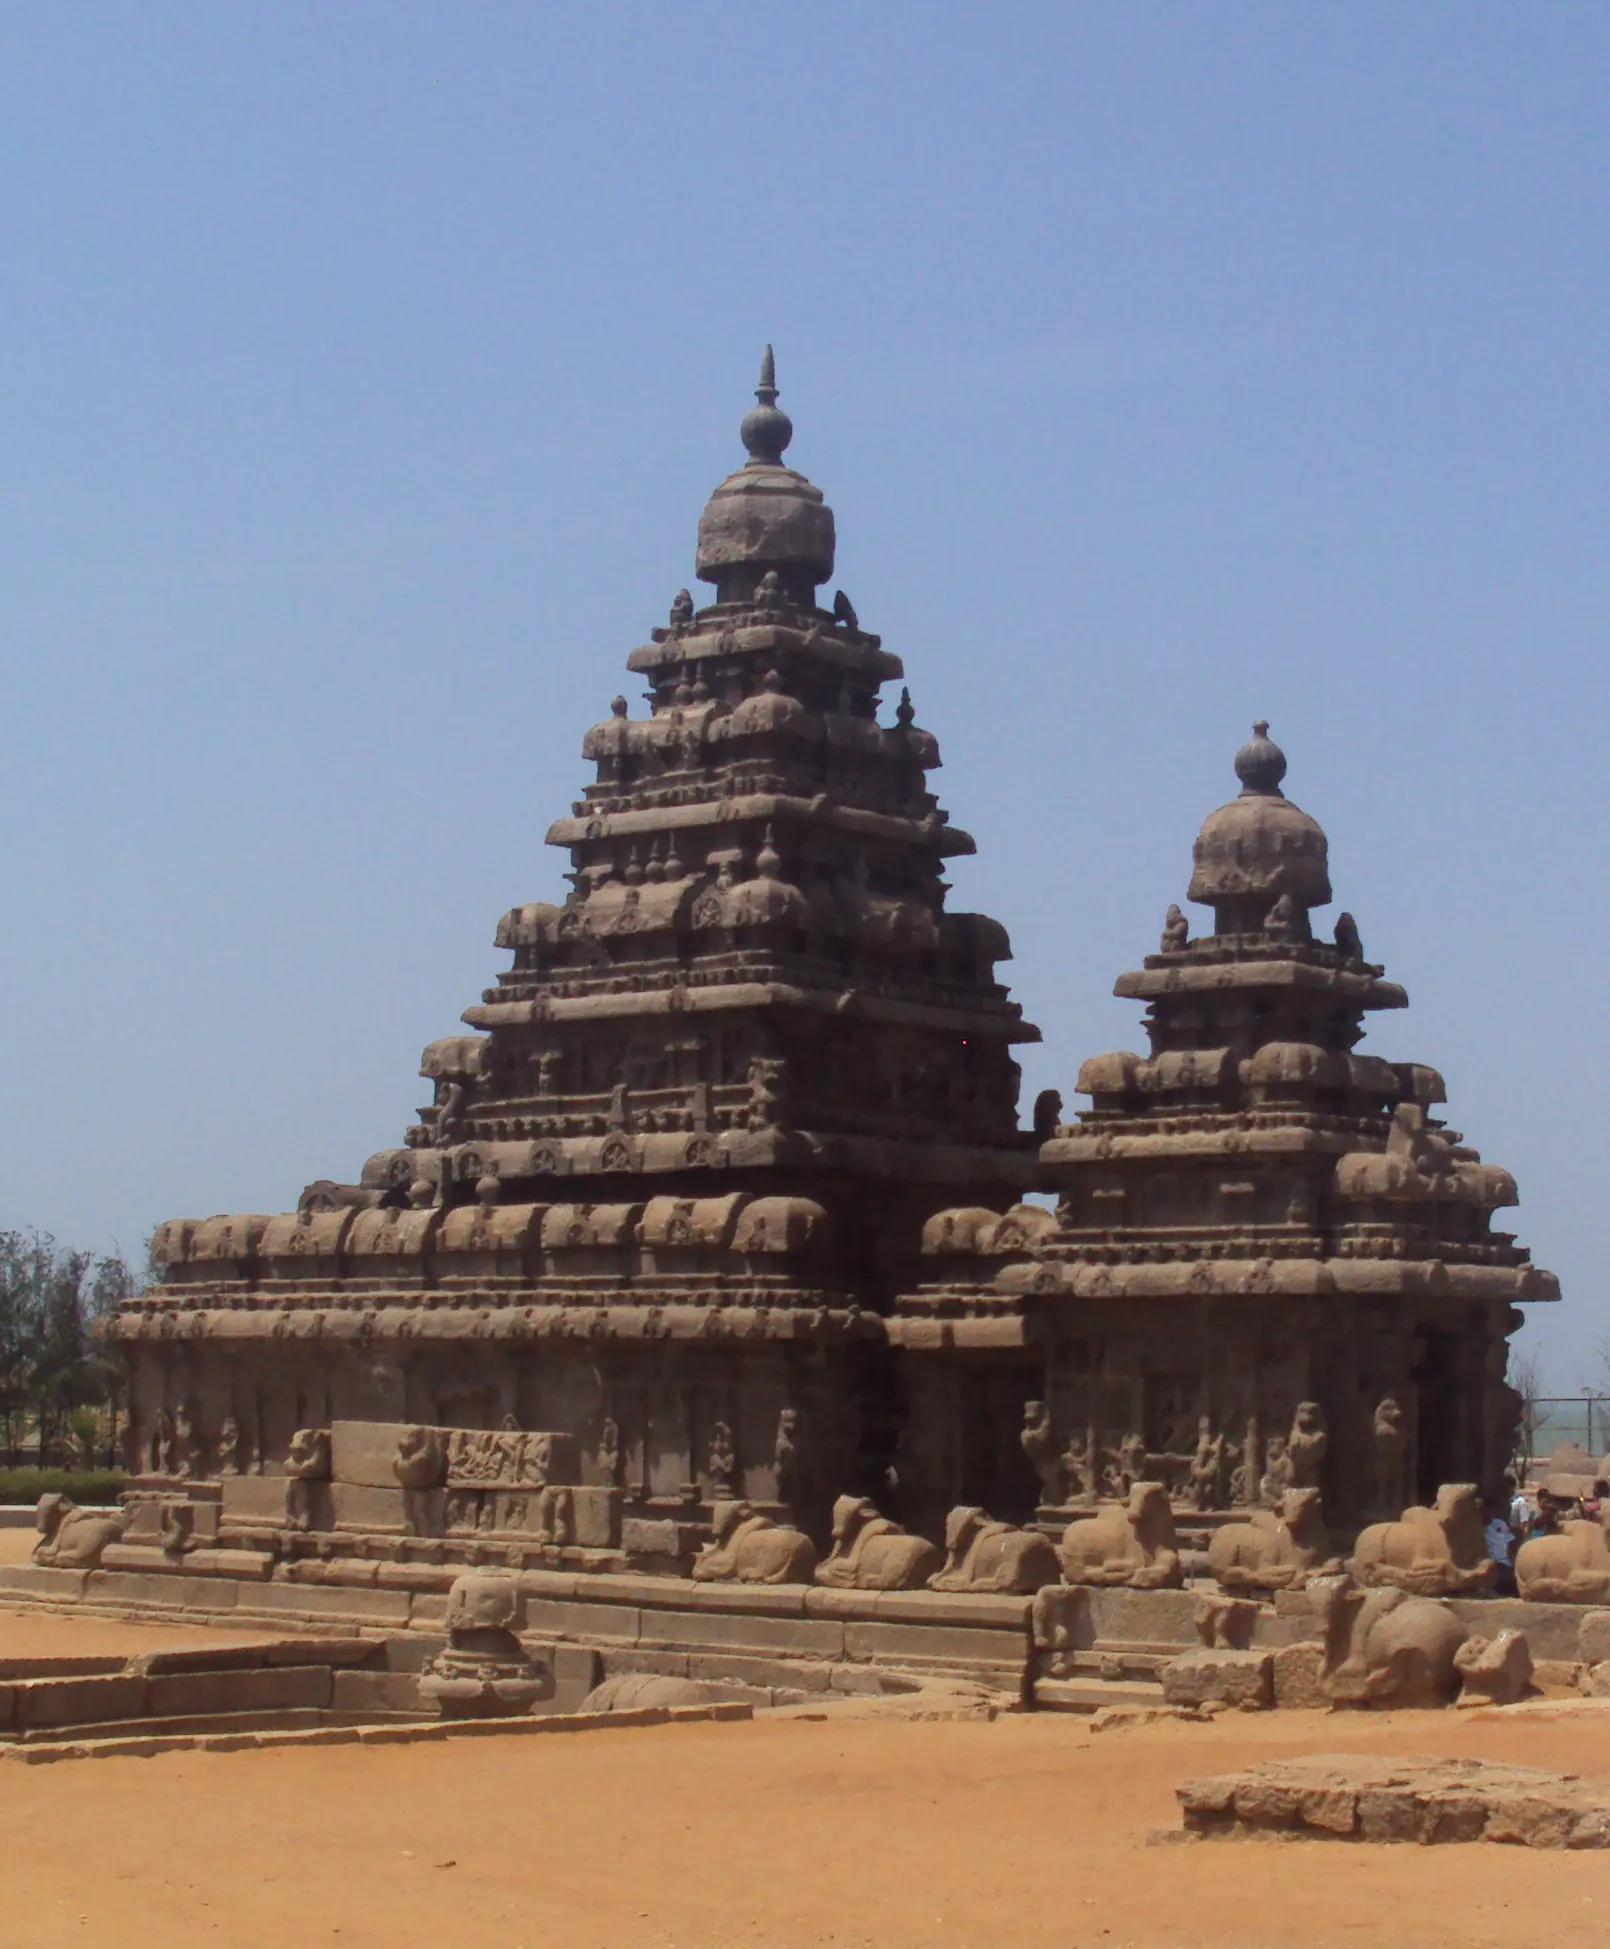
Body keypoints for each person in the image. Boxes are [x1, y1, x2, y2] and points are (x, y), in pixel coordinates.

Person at [1482, 1498, 1517, 1594]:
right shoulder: (1477, 1527)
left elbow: (1510, 1541)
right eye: (1487, 1509)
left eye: (1492, 1509)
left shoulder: (1499, 1524)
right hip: (1489, 1564)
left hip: (1505, 1563)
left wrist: (1514, 1561)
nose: (1489, 1512)